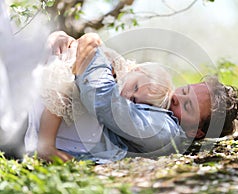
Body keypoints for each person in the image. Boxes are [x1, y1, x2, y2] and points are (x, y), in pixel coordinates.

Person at [24, 31, 238, 164]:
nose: (177, 98)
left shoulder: (166, 131)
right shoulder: (160, 99)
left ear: (196, 131)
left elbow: (102, 100)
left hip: (29, 124)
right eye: (184, 91)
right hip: (31, 101)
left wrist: (91, 49)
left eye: (188, 106)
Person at [36, 32, 174, 161]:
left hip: (73, 77)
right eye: (135, 87)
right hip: (66, 71)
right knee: (63, 94)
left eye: (133, 100)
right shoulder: (117, 65)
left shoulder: (119, 93)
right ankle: (46, 145)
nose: (127, 95)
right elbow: (91, 54)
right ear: (138, 70)